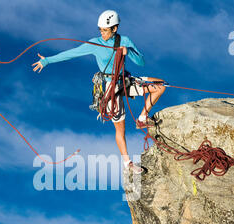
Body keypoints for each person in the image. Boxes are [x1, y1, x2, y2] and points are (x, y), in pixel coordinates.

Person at [32, 10, 165, 173]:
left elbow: (141, 62)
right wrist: (47, 61)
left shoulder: (124, 41)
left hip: (125, 80)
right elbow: (71, 54)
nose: (102, 33)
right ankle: (127, 163)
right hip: (110, 87)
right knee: (120, 129)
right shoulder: (94, 44)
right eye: (100, 29)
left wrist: (128, 51)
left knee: (160, 86)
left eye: (105, 30)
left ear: (115, 28)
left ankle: (142, 118)